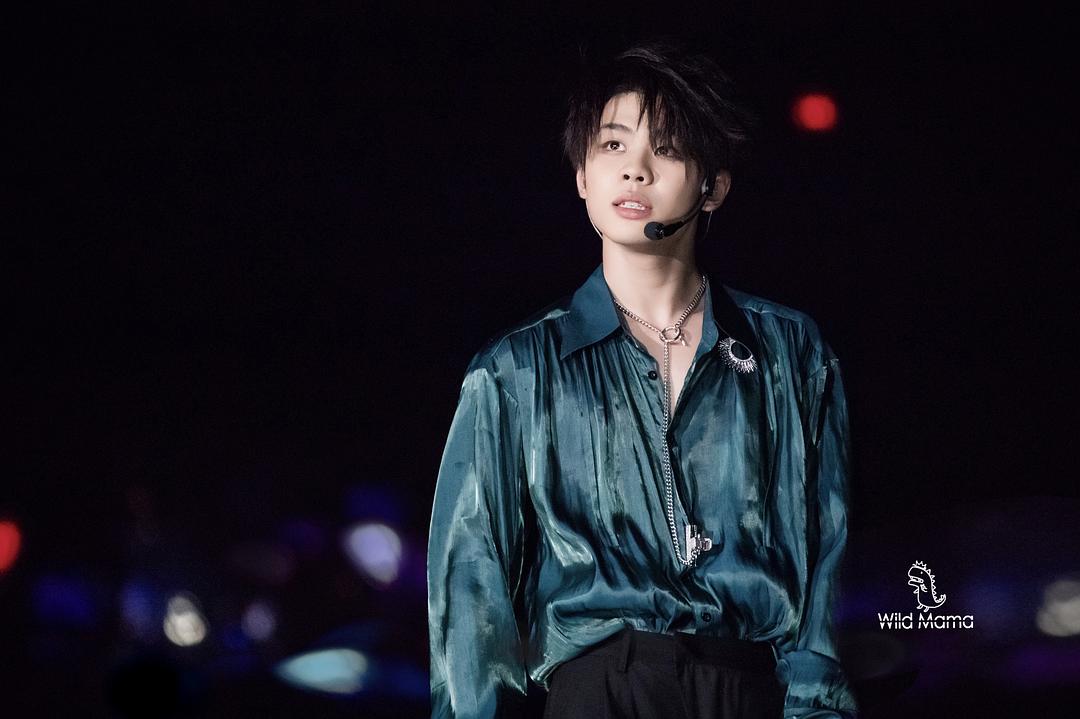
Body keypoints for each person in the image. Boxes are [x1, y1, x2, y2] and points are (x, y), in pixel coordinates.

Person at [427, 40, 858, 719]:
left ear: (714, 186)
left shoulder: (790, 351)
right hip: (596, 688)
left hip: (746, 686)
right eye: (612, 145)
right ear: (581, 175)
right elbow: (470, 590)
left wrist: (818, 707)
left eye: (667, 148)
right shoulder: (516, 369)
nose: (635, 169)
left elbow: (826, 556)